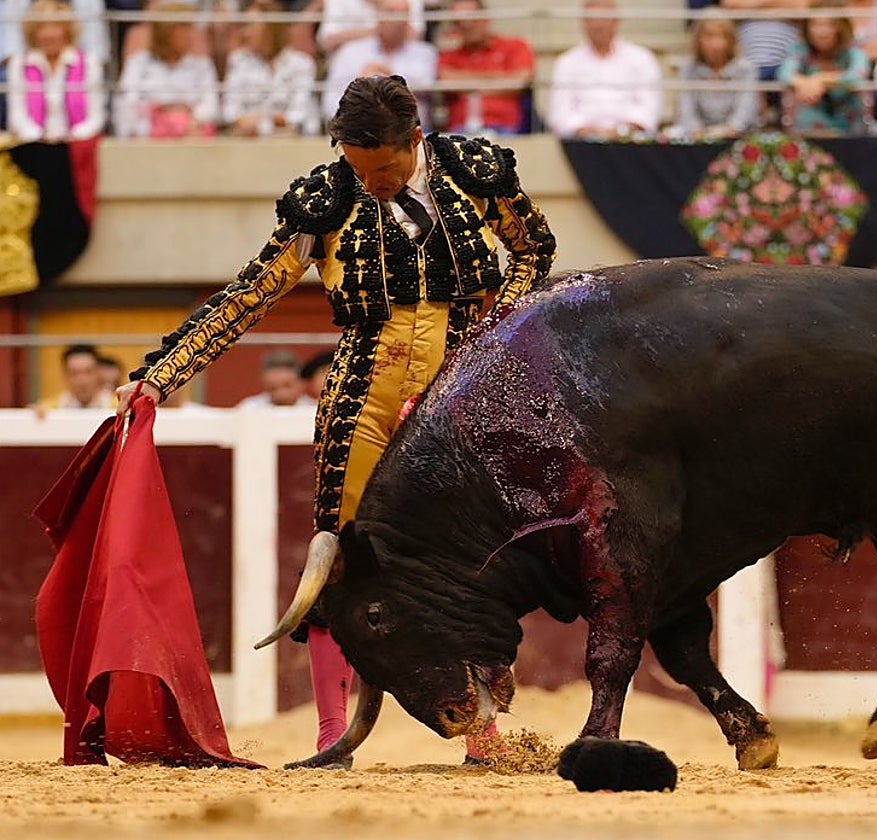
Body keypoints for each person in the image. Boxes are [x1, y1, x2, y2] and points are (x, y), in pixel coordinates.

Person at [115, 74, 556, 765]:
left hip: (464, 391)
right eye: (358, 168)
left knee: (466, 568)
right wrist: (160, 375)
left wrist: (492, 338)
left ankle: (484, 735)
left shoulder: (475, 173)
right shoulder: (327, 201)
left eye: (383, 169)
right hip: (363, 398)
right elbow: (248, 296)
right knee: (338, 558)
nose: (373, 183)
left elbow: (534, 252)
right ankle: (331, 735)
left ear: (416, 139)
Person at [546, 0, 663, 139]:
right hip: (580, 144)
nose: (598, 25)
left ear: (616, 21)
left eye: (603, 18)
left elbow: (650, 108)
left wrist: (622, 131)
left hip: (632, 142)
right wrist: (586, 132)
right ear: (583, 23)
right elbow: (559, 112)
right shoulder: (567, 62)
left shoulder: (642, 58)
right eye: (592, 19)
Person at [321, 0, 438, 125]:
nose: (396, 19)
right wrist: (361, 87)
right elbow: (331, 101)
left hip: (408, 130)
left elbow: (426, 89)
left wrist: (389, 75)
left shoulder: (425, 53)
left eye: (403, 13)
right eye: (391, 12)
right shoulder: (349, 53)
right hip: (359, 129)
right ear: (377, 15)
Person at [113, 2, 221, 138]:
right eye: (184, 29)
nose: (191, 35)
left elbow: (211, 104)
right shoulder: (138, 64)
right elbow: (127, 102)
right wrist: (156, 119)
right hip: (148, 135)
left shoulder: (202, 66)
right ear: (166, 33)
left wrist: (192, 121)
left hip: (192, 134)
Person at [5, 0, 106, 143]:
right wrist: (40, 137)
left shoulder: (89, 63)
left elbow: (97, 116)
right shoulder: (19, 64)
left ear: (68, 29)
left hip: (76, 146)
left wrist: (72, 137)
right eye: (42, 27)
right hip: (32, 145)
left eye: (55, 26)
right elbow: (17, 115)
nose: (48, 34)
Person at [437, 0, 536, 135]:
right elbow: (447, 81)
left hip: (507, 130)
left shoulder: (516, 47)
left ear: (486, 18)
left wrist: (467, 84)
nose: (466, 26)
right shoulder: (449, 55)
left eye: (472, 19)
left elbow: (519, 82)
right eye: (458, 22)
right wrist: (499, 79)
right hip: (461, 131)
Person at [222, 0, 319, 136]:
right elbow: (230, 112)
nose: (245, 33)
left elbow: (298, 115)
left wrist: (263, 121)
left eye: (251, 26)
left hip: (292, 141)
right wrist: (272, 121)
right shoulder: (238, 61)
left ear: (270, 28)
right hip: (249, 140)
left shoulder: (302, 64)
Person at [777, 0, 870, 134]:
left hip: (849, 125)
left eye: (830, 25)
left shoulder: (852, 49)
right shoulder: (800, 49)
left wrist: (822, 79)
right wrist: (804, 83)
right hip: (811, 125)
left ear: (841, 27)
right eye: (816, 25)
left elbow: (858, 75)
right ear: (807, 27)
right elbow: (784, 74)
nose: (822, 32)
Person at [674, 9, 760, 139]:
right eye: (709, 36)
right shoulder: (688, 68)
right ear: (698, 39)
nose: (716, 44)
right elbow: (687, 111)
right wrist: (697, 132)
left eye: (722, 36)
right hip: (697, 140)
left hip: (736, 138)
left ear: (731, 40)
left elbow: (745, 111)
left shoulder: (746, 69)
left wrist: (729, 130)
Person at [39, 344, 116, 410]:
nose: (82, 380)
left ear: (98, 372)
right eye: (74, 373)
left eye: (88, 371)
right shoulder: (50, 409)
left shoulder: (117, 407)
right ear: (65, 375)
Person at [237, 351, 317, 407]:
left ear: (302, 383)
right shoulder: (249, 409)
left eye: (287, 386)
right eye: (272, 388)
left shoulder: (313, 410)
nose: (281, 394)